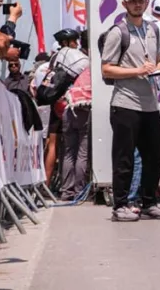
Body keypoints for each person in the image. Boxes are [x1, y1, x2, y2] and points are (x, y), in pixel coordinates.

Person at [100, 0, 160, 221]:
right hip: (125, 103)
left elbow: (156, 61)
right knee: (124, 158)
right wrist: (137, 71)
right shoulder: (118, 32)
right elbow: (107, 69)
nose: (137, 4)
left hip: (150, 104)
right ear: (125, 4)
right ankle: (120, 205)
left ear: (147, 3)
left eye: (140, 0)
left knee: (154, 157)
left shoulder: (154, 30)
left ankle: (149, 202)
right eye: (132, 1)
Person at [61, 30, 92, 201]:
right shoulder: (90, 63)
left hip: (68, 107)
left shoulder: (68, 58)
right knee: (82, 153)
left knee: (68, 152)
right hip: (84, 109)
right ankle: (80, 192)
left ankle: (67, 191)